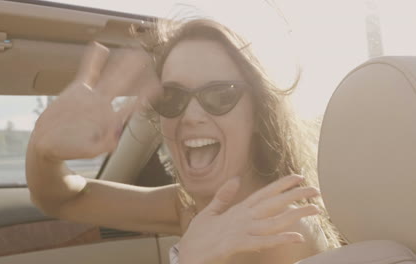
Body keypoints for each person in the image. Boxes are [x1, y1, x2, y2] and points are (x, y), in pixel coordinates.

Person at [26, 17, 341, 264]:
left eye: (219, 95)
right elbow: (63, 199)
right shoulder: (188, 207)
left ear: (259, 115)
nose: (190, 116)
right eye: (172, 96)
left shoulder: (286, 231)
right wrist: (44, 150)